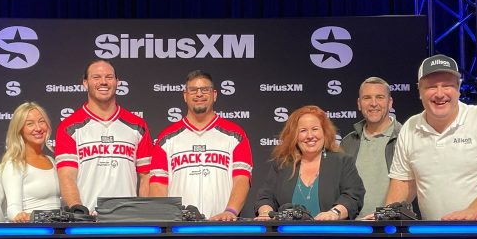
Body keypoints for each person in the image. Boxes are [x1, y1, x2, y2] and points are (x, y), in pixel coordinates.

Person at [381, 55, 477, 220]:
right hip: (433, 233)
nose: (440, 94)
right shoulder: (410, 127)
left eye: (447, 86)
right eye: (431, 87)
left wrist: (471, 212)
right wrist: (385, 217)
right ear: (419, 91)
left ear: (458, 88)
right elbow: (402, 182)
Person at [150, 70, 253, 220]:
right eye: (193, 90)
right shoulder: (166, 138)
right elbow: (158, 184)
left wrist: (230, 211)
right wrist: (166, 218)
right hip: (179, 226)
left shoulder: (235, 134)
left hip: (223, 224)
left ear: (214, 94)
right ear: (185, 96)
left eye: (205, 89)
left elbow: (242, 178)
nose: (199, 94)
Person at [55, 58, 155, 212]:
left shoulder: (137, 125)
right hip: (88, 219)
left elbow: (146, 175)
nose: (103, 82)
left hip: (127, 218)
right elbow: (67, 176)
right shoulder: (69, 127)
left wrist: (143, 213)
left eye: (109, 77)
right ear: (85, 83)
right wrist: (78, 210)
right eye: (96, 77)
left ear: (117, 82)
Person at [254, 105, 363, 221]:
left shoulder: (342, 162)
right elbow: (266, 197)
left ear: (324, 132)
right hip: (288, 232)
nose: (310, 136)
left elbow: (353, 196)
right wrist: (266, 212)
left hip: (330, 231)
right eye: (303, 131)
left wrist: (334, 213)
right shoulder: (282, 164)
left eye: (315, 129)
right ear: (294, 136)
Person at [340, 77, 402, 218]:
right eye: (367, 98)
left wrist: (385, 216)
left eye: (380, 97)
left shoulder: (405, 138)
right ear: (359, 103)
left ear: (390, 102)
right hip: (353, 226)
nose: (373, 103)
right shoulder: (347, 142)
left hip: (392, 225)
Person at [1, 101, 61, 221]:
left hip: (57, 229)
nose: (38, 128)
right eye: (30, 124)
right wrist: (22, 217)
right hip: (33, 229)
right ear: (19, 129)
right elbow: (13, 209)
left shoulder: (52, 161)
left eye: (41, 121)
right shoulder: (15, 164)